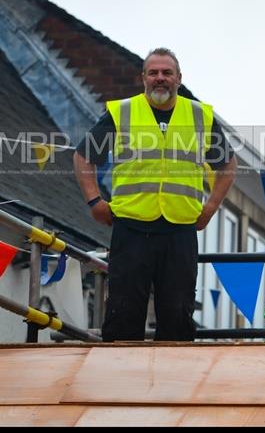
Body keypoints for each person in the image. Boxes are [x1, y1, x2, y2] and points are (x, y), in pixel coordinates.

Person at [73, 47, 237, 341]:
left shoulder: (199, 115)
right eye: (154, 73)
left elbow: (228, 164)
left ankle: (174, 384)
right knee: (123, 313)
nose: (160, 78)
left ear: (178, 79)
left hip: (180, 230)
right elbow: (83, 155)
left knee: (178, 315)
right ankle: (121, 381)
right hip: (131, 227)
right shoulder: (122, 112)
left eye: (167, 73)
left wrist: (211, 206)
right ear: (143, 78)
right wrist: (94, 200)